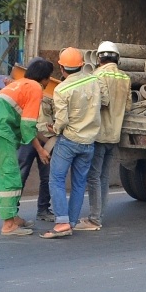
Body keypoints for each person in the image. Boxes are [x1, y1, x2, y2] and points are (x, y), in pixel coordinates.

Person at [0, 57, 54, 236]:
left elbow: (25, 126)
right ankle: (9, 225)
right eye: (49, 78)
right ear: (44, 78)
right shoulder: (35, 88)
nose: (48, 82)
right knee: (10, 175)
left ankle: (12, 216)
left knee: (0, 175)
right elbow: (28, 126)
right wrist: (41, 150)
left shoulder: (20, 85)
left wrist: (43, 140)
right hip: (0, 131)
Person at [41, 47, 107, 239]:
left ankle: (62, 223)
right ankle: (71, 221)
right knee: (79, 183)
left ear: (61, 68)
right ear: (81, 65)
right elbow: (103, 102)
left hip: (69, 141)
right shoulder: (95, 80)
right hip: (89, 142)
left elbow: (61, 121)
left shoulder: (61, 89)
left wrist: (54, 128)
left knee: (56, 179)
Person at [76, 41, 131, 231]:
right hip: (114, 135)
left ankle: (94, 219)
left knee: (93, 176)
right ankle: (99, 215)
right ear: (117, 58)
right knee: (104, 177)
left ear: (99, 58)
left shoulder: (96, 76)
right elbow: (128, 106)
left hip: (99, 134)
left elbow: (96, 103)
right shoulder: (125, 77)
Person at [16, 83, 56, 223]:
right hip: (27, 139)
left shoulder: (52, 93)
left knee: (47, 177)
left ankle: (43, 210)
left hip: (46, 139)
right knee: (20, 175)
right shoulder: (25, 92)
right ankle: (12, 212)